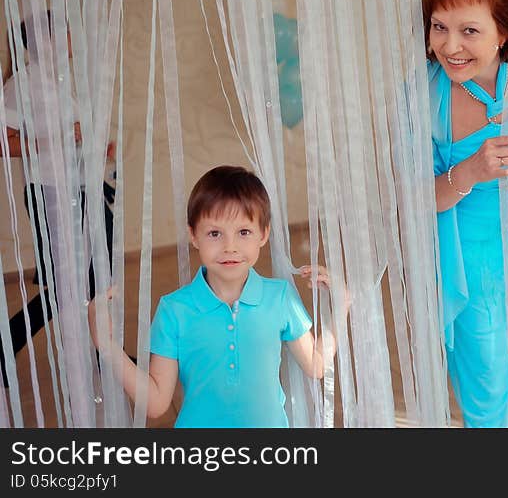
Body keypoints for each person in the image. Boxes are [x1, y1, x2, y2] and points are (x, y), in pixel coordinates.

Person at [87, 165, 347, 427]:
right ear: (194, 236)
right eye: (214, 233)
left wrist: (341, 305)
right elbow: (155, 403)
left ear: (263, 234)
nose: (229, 247)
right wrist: (107, 345)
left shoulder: (280, 297)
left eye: (243, 232)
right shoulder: (174, 310)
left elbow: (315, 364)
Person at [424, 0, 508, 427]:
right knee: (488, 398)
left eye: (469, 30)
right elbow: (410, 202)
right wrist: (470, 170)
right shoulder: (422, 97)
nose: (450, 46)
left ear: (503, 34)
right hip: (472, 276)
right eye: (439, 27)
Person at [1, 12, 116, 387]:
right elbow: (6, 142)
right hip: (51, 193)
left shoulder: (63, 82)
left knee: (99, 277)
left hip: (86, 189)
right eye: (66, 31)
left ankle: (103, 354)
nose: (72, 37)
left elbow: (74, 137)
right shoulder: (22, 84)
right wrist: (61, 139)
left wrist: (98, 147)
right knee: (66, 285)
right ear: (44, 40)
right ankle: (5, 346)